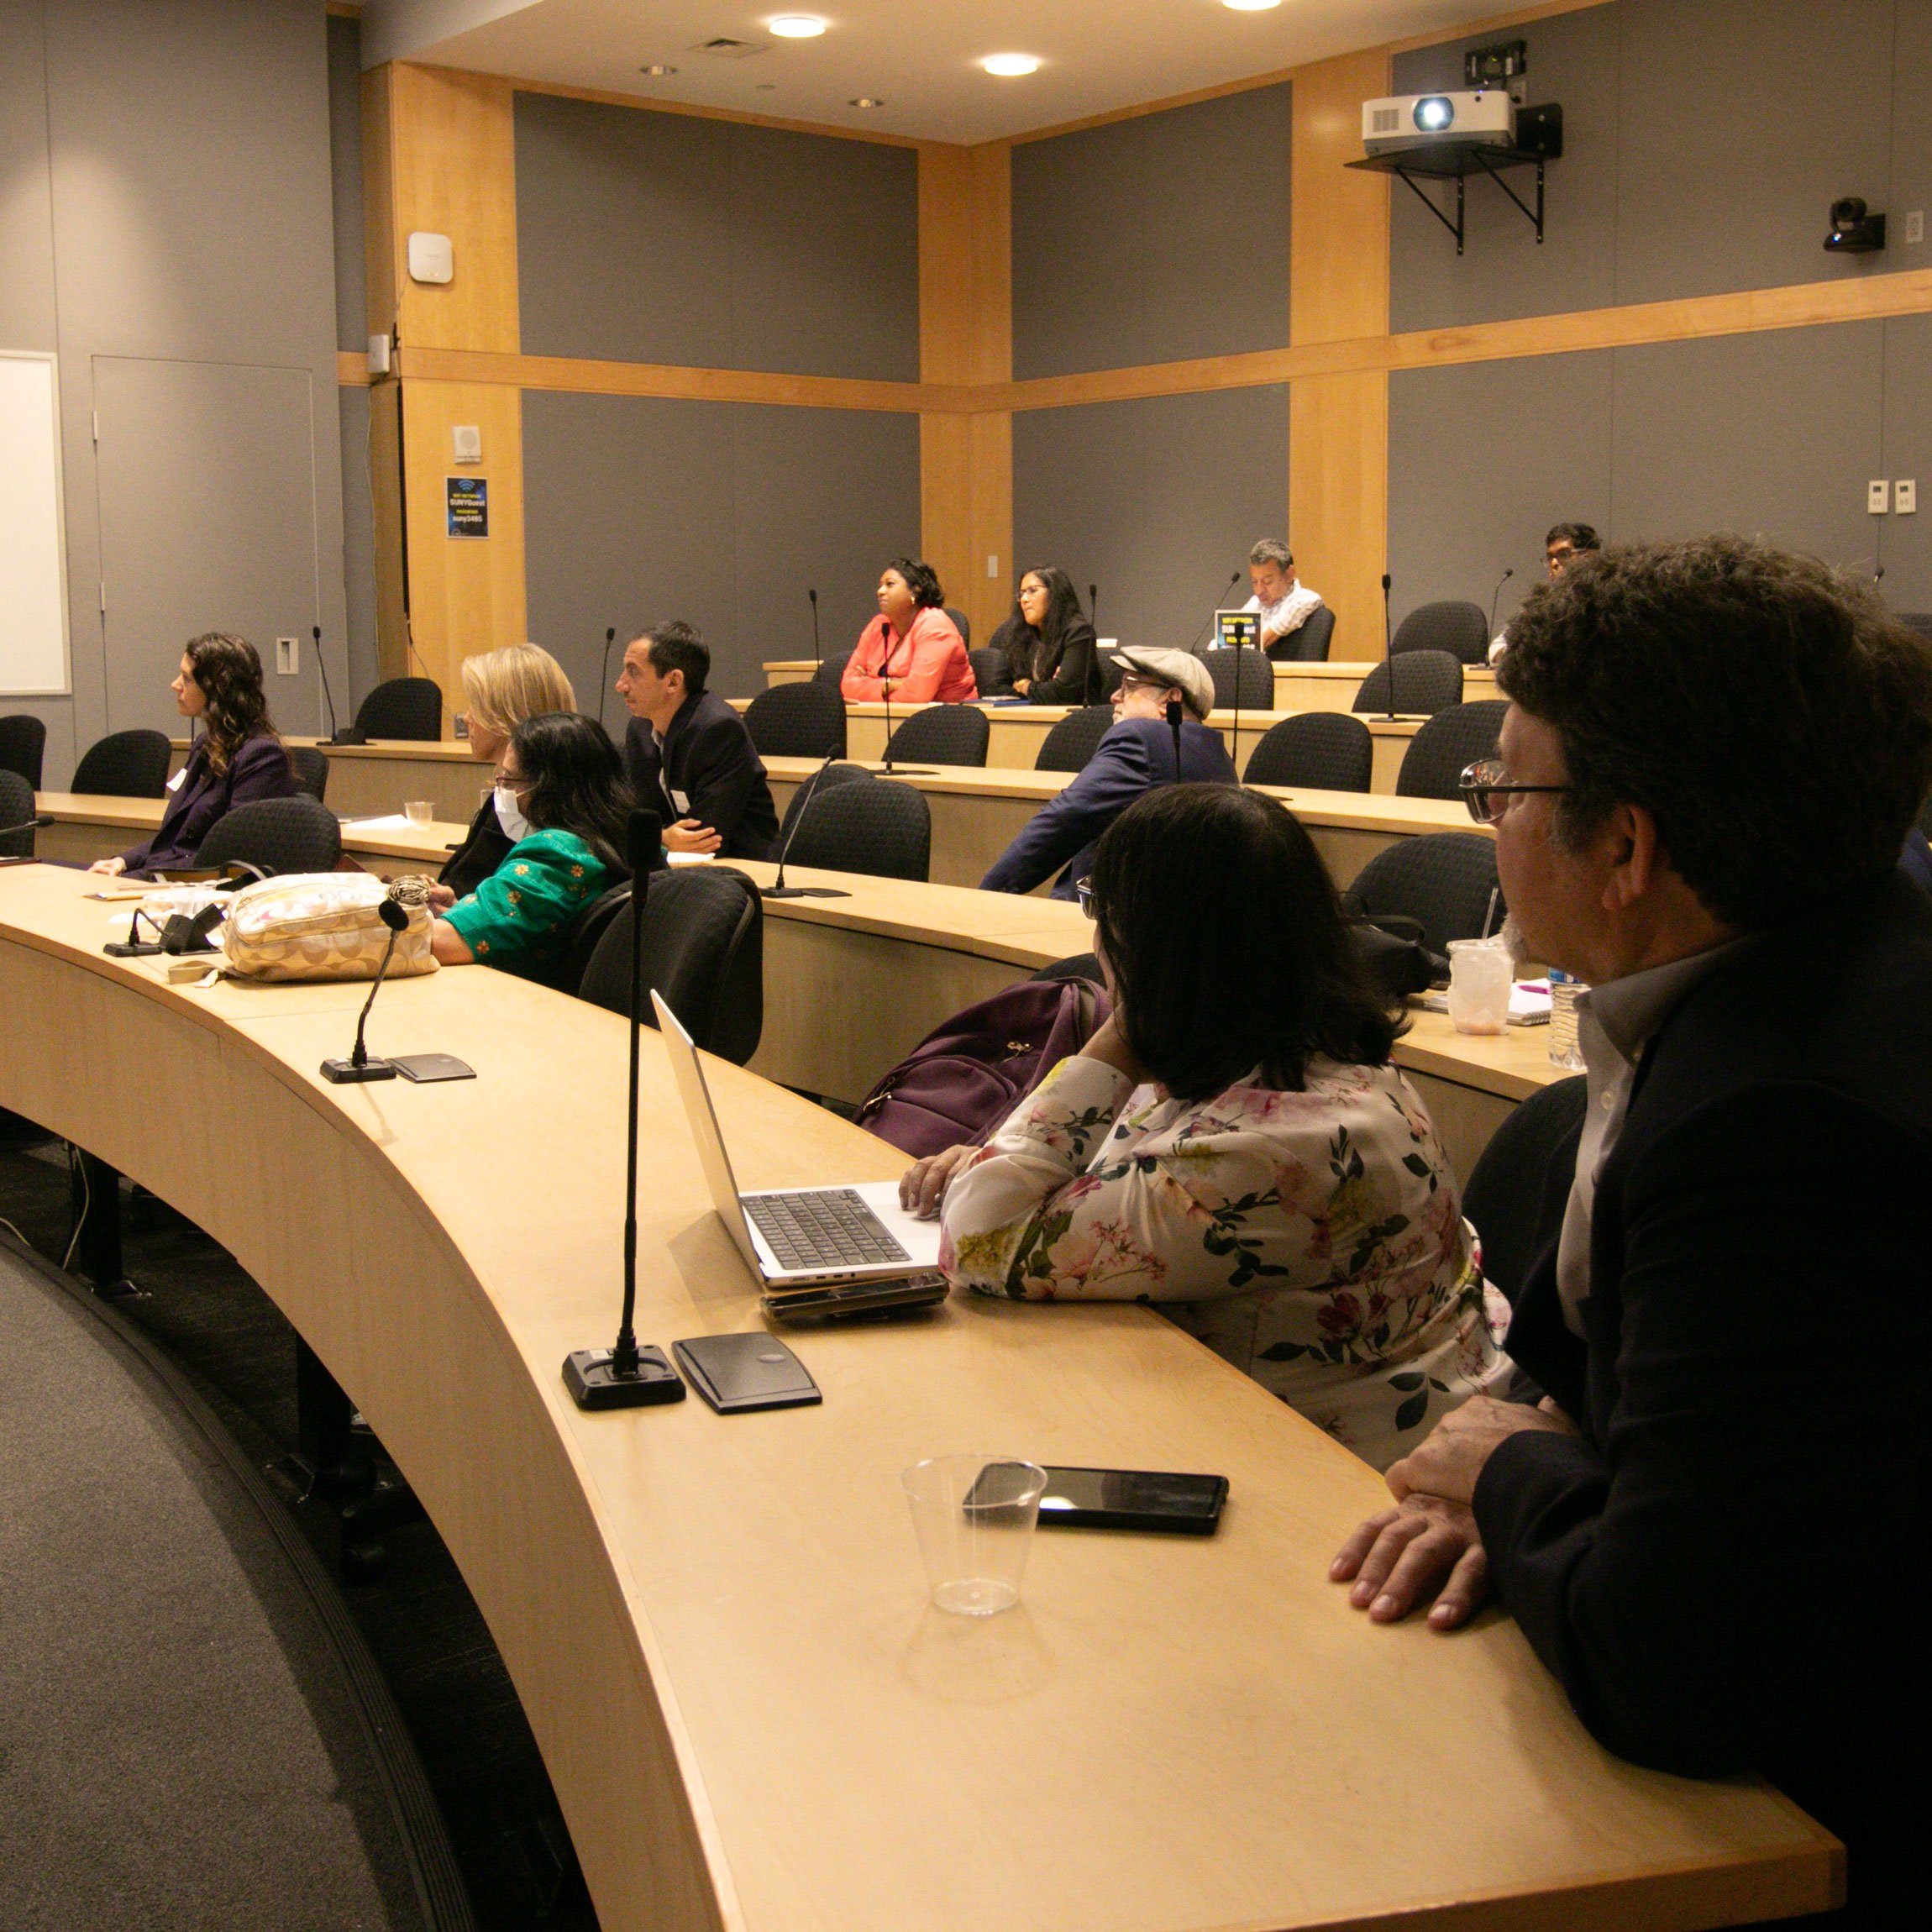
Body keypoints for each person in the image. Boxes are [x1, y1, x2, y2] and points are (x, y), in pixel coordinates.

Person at [1331, 536, 1932, 1928]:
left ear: (1625, 844)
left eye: (1506, 790)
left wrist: (1518, 1482)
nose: (1487, 817)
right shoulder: (1807, 956)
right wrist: (1548, 1457)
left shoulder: (1783, 1129)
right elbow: (1613, 1351)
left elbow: (1679, 1664)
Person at [916, 785, 1500, 1470]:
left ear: (1150, 947)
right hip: (1296, 1434)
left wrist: (1124, 1025)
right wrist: (1007, 1160)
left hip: (1334, 1492)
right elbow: (1101, 1173)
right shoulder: (1314, 1066)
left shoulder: (1267, 1151)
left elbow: (978, 1237)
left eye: (1101, 909)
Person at [980, 647, 1234, 899]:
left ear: (1170, 700)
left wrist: (990, 895)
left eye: (1129, 687)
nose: (1114, 696)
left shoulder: (1139, 739)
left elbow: (1065, 818)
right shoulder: (1219, 756)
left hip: (1106, 919)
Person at [428, 711, 631, 978]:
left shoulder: (556, 855)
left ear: (551, 788)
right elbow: (535, 919)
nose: (501, 790)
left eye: (509, 780)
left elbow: (436, 944)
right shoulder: (621, 838)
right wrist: (464, 912)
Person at [88, 633, 295, 878]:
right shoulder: (205, 745)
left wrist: (143, 875)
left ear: (216, 688)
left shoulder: (262, 757)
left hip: (200, 888)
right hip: (169, 876)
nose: (175, 685)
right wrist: (124, 861)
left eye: (186, 678)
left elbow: (229, 857)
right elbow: (174, 839)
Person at [616, 621, 778, 860]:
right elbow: (635, 818)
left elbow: (705, 838)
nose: (621, 685)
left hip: (741, 869)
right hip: (677, 869)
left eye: (634, 671)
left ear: (673, 682)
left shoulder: (719, 730)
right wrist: (661, 838)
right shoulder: (640, 729)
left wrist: (652, 838)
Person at [441, 643, 577, 897]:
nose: (467, 718)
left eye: (476, 706)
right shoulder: (532, 797)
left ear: (508, 714)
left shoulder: (530, 810)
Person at [841, 560, 976, 705]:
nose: (880, 591)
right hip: (888, 715)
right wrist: (890, 684)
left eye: (890, 584)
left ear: (916, 591)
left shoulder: (935, 625)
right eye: (880, 586)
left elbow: (917, 695)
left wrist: (868, 684)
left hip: (947, 718)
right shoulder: (878, 625)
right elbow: (847, 685)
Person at [1489, 522, 1601, 661]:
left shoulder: (1607, 600)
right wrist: (1517, 657)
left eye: (1564, 555)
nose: (1554, 563)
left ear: (1589, 557)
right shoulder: (1540, 604)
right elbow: (1497, 646)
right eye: (1550, 557)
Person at [988, 567, 1099, 704]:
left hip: (1072, 719)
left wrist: (1023, 685)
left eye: (1032, 591)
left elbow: (1062, 693)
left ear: (1055, 593)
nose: (1024, 599)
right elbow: (995, 688)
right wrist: (1041, 691)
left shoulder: (1079, 632)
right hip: (1028, 714)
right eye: (1021, 594)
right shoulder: (1016, 633)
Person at [1242, 538, 1323, 653]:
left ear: (1290, 574)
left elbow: (1259, 644)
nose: (1259, 590)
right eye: (1254, 582)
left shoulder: (1304, 599)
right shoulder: (1255, 603)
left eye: (1267, 581)